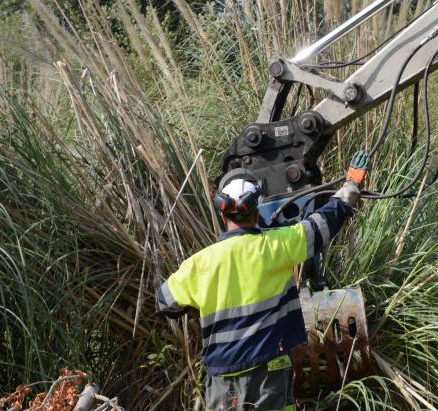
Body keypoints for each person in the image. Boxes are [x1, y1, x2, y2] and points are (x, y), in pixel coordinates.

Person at [156, 151, 371, 410]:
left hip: (222, 380)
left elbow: (165, 302)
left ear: (223, 216)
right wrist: (351, 185)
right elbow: (322, 224)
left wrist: (197, 305)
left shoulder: (198, 265)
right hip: (269, 370)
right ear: (256, 212)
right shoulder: (276, 247)